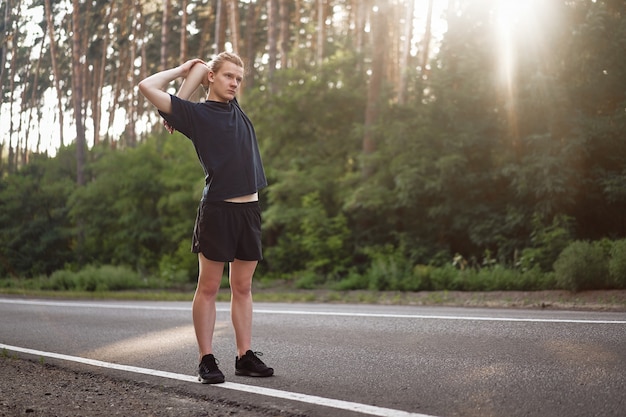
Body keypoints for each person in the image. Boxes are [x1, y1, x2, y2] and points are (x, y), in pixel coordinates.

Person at [138, 52, 274, 384]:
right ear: (212, 78)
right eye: (229, 76)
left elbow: (205, 71)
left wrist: (190, 87)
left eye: (239, 79)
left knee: (242, 287)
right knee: (209, 287)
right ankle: (206, 359)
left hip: (249, 211)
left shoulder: (235, 108)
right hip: (218, 210)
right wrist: (184, 70)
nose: (235, 83)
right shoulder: (196, 115)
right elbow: (148, 84)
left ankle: (244, 356)